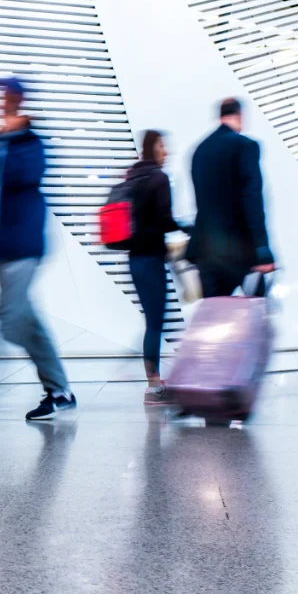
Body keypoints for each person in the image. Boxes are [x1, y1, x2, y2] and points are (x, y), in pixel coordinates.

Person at [0, 78, 75, 420]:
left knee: (9, 317)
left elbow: (24, 175)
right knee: (26, 317)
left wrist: (9, 138)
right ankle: (60, 391)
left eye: (7, 95)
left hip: (23, 242)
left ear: (18, 99)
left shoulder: (29, 142)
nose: (1, 100)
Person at [185, 98, 275, 298]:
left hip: (207, 252)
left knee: (214, 321)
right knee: (257, 314)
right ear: (240, 115)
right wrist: (262, 249)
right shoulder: (245, 146)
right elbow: (252, 199)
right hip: (241, 251)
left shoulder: (199, 151)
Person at [125, 130, 181, 405]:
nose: (166, 151)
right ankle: (154, 386)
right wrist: (188, 225)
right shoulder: (159, 178)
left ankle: (153, 381)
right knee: (155, 322)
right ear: (152, 148)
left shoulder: (132, 176)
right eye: (162, 145)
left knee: (153, 321)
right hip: (151, 258)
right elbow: (165, 219)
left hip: (135, 259)